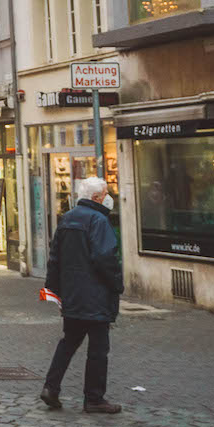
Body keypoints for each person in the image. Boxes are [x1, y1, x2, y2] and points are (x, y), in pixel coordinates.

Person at [40, 177, 123, 414]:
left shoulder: (67, 219)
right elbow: (105, 258)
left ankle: (51, 387)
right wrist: (117, 285)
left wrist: (54, 292)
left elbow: (54, 259)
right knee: (98, 349)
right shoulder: (99, 220)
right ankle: (94, 398)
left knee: (68, 342)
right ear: (97, 198)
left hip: (73, 296)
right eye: (106, 193)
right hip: (95, 296)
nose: (109, 196)